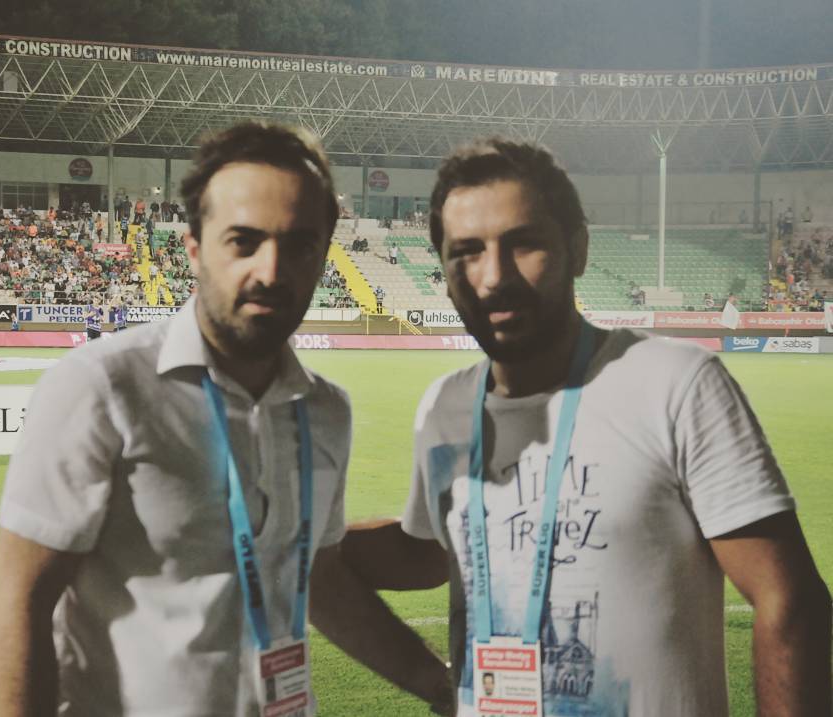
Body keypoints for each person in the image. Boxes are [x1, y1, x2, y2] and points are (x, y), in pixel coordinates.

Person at [311, 138, 831, 717]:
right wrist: (294, 539)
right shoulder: (446, 406)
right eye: (467, 252)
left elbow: (788, 600)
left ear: (577, 249)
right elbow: (429, 553)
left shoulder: (675, 383)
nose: (494, 275)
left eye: (524, 243)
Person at [0, 121, 353, 717]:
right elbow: (20, 601)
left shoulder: (327, 410)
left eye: (299, 244)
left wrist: (439, 683)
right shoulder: (100, 386)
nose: (271, 269)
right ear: (194, 249)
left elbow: (321, 576)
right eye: (243, 242)